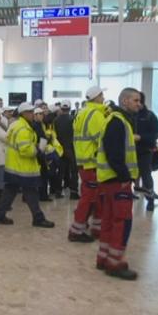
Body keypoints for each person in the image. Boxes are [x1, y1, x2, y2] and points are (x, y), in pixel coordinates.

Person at [95, 88, 141, 280]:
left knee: (109, 219)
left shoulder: (115, 120)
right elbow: (115, 153)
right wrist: (124, 177)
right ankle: (115, 264)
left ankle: (104, 258)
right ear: (124, 101)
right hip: (117, 180)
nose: (139, 104)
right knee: (122, 222)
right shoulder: (117, 122)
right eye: (136, 100)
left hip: (109, 179)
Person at [0, 102, 55, 228]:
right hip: (23, 167)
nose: (33, 114)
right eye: (31, 112)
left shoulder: (16, 124)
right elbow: (25, 150)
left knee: (9, 192)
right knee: (31, 193)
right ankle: (38, 218)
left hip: (13, 166)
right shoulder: (24, 129)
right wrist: (38, 149)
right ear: (24, 114)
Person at [69, 86, 107, 243]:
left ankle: (97, 227)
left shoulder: (82, 113)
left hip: (83, 161)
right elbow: (103, 140)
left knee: (96, 196)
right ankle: (76, 231)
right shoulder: (97, 115)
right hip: (93, 162)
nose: (104, 97)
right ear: (97, 97)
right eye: (102, 95)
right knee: (89, 197)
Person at [134, 92, 158, 211]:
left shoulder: (149, 116)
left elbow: (155, 134)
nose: (135, 103)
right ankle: (134, 191)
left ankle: (150, 199)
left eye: (137, 100)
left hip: (145, 151)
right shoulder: (128, 116)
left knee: (146, 176)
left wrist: (141, 137)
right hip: (130, 151)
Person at [54, 100, 79, 200]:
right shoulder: (73, 119)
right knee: (74, 171)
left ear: (61, 108)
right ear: (69, 108)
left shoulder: (56, 120)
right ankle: (73, 192)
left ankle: (58, 191)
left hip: (60, 148)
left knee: (60, 171)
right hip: (71, 148)